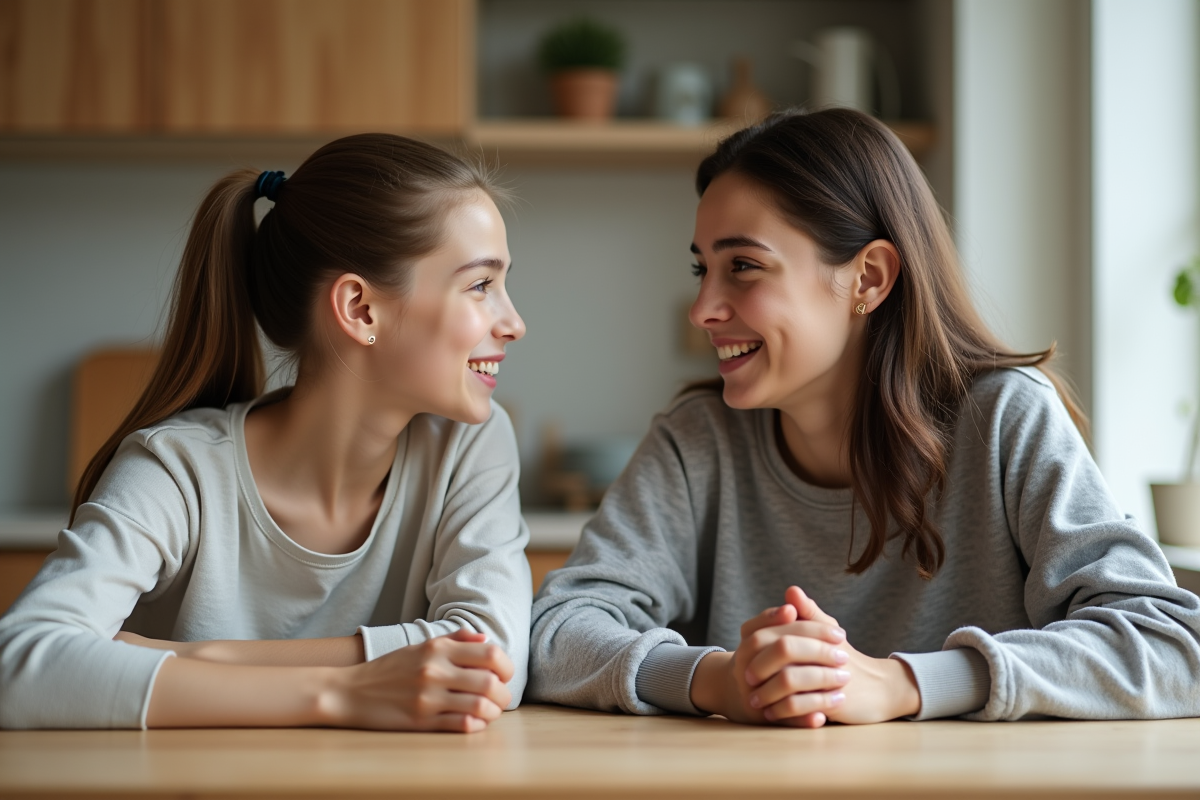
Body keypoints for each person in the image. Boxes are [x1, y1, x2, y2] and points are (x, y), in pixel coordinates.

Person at [528, 109, 1200, 726]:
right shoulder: (697, 439)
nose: (703, 307)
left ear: (869, 279)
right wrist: (718, 679)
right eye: (703, 269)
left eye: (743, 267)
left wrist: (901, 683)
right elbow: (558, 633)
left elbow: (1171, 649)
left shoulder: (1004, 418)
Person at [0, 134, 530, 732]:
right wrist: (340, 693)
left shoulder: (469, 446)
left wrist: (196, 655)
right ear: (360, 309)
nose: (514, 323)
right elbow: (19, 665)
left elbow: (495, 658)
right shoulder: (178, 470)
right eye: (481, 285)